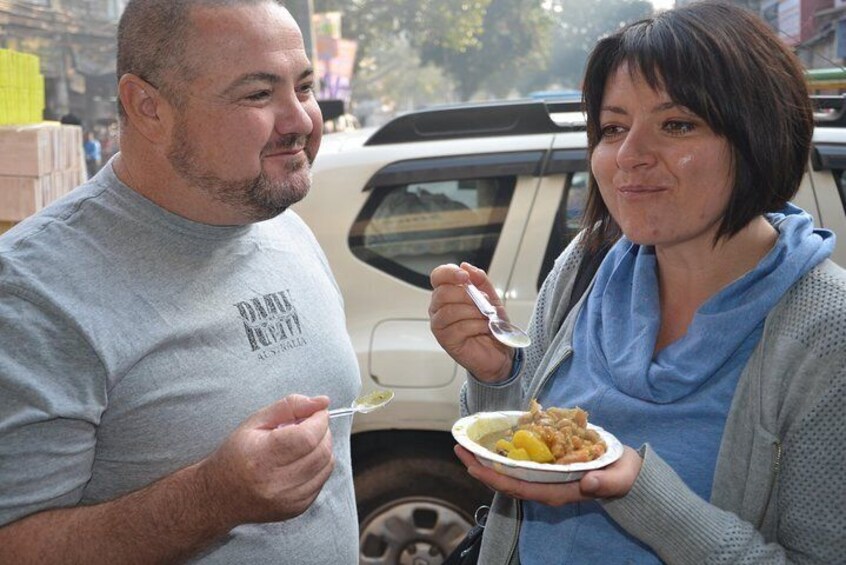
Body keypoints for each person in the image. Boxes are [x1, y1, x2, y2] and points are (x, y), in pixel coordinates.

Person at [428, 2, 846, 563]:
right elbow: (527, 458)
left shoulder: (826, 332)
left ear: (760, 136)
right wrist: (497, 374)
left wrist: (637, 490)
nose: (628, 156)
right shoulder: (589, 260)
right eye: (613, 128)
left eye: (676, 124)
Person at [0, 1, 360, 563]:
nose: (301, 121)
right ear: (147, 107)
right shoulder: (32, 292)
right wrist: (211, 500)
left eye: (305, 86)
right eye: (258, 94)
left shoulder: (280, 222)